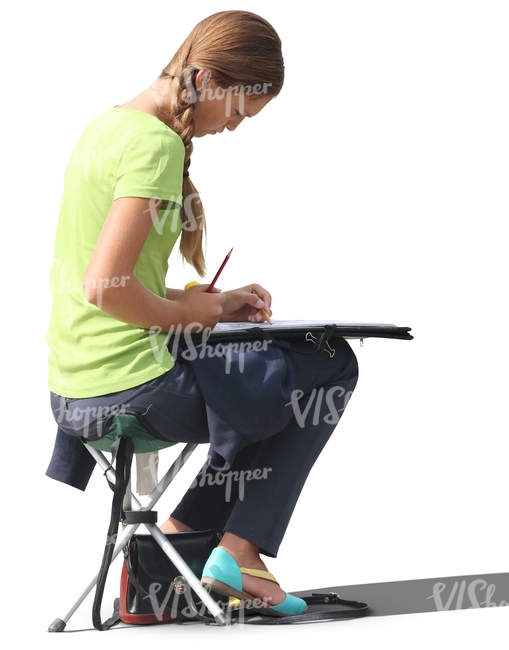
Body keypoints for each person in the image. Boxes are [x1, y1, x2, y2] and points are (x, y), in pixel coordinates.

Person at [46, 10, 358, 618]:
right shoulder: (155, 143)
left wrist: (210, 305)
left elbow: (116, 282)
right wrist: (195, 314)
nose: (235, 128)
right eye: (240, 110)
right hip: (130, 389)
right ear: (211, 78)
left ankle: (176, 551)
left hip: (74, 387)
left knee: (265, 375)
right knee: (329, 364)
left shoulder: (106, 126)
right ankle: (236, 551)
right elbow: (105, 289)